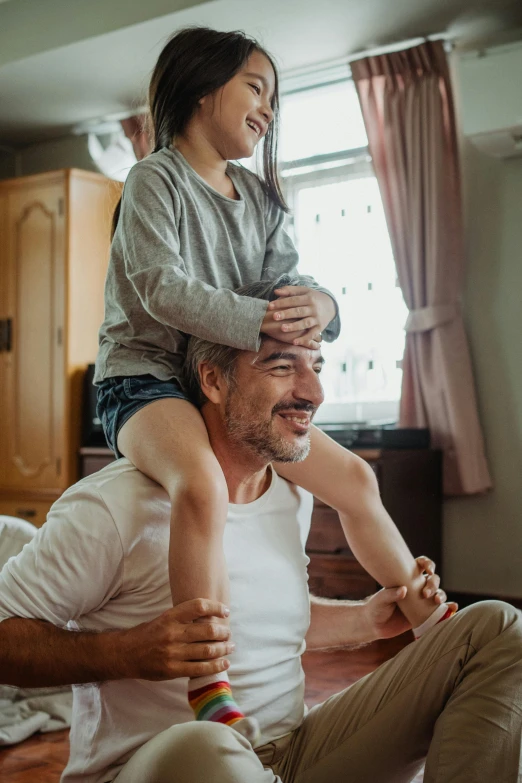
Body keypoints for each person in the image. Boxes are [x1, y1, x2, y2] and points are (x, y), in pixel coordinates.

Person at [0, 279, 520, 783]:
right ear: (213, 381)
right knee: (205, 744)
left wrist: (364, 620)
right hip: (166, 763)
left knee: (496, 630)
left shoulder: (290, 493)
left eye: (316, 366)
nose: (314, 393)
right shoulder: (114, 506)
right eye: (280, 366)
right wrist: (126, 652)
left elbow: (258, 621)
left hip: (290, 754)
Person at [94, 26, 454, 739]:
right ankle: (210, 684)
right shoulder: (153, 181)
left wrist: (324, 305)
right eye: (255, 88)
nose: (268, 108)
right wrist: (265, 321)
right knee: (199, 483)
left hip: (222, 380)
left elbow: (291, 284)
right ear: (202, 87)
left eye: (273, 97)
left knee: (353, 477)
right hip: (147, 379)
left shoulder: (259, 198)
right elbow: (163, 290)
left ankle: (432, 623)